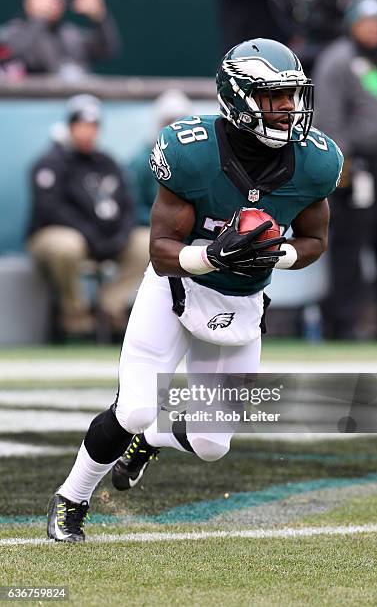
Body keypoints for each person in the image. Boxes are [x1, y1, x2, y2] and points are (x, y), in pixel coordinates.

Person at [46, 38, 343, 542]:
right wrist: (210, 255)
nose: (289, 109)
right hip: (176, 287)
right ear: (239, 98)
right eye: (275, 97)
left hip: (243, 300)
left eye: (293, 96)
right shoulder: (192, 151)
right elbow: (160, 249)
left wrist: (279, 253)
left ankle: (151, 442)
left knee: (211, 442)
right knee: (137, 406)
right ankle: (71, 499)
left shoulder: (315, 162)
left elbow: (315, 239)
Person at [313, 0, 377, 339]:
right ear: (352, 23)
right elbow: (330, 118)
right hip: (357, 171)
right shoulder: (339, 60)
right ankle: (343, 323)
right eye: (367, 23)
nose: (374, 29)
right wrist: (341, 168)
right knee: (349, 249)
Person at [27, 94, 138, 338]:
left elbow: (128, 205)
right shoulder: (51, 162)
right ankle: (75, 315)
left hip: (103, 237)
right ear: (70, 127)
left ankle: (110, 305)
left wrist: (120, 235)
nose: (87, 132)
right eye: (81, 125)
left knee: (146, 241)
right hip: (58, 238)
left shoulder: (107, 162)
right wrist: (88, 233)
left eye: (93, 126)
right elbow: (50, 209)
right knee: (67, 244)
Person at [127, 89, 193, 290]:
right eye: (170, 120)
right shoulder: (141, 161)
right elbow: (131, 204)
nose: (175, 127)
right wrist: (167, 224)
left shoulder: (199, 161)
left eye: (181, 121)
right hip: (153, 229)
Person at [0, 0, 120, 78]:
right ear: (28, 1)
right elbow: (11, 52)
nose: (53, 0)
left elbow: (106, 50)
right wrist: (39, 18)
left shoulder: (69, 34)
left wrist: (100, 18)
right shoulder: (14, 31)